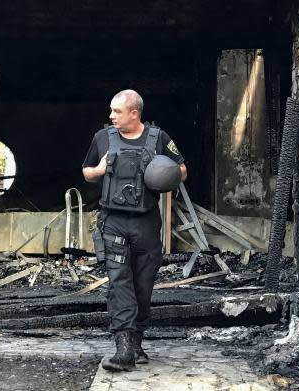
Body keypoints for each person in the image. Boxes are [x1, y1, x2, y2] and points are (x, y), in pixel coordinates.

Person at [82, 89, 187, 371]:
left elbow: (182, 169)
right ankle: (124, 347)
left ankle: (137, 340)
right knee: (119, 280)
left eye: (117, 111)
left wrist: (162, 174)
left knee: (143, 284)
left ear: (134, 113)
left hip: (147, 222)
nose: (111, 116)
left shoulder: (158, 138)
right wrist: (100, 170)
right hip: (113, 220)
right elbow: (86, 172)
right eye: (111, 111)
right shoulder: (102, 138)